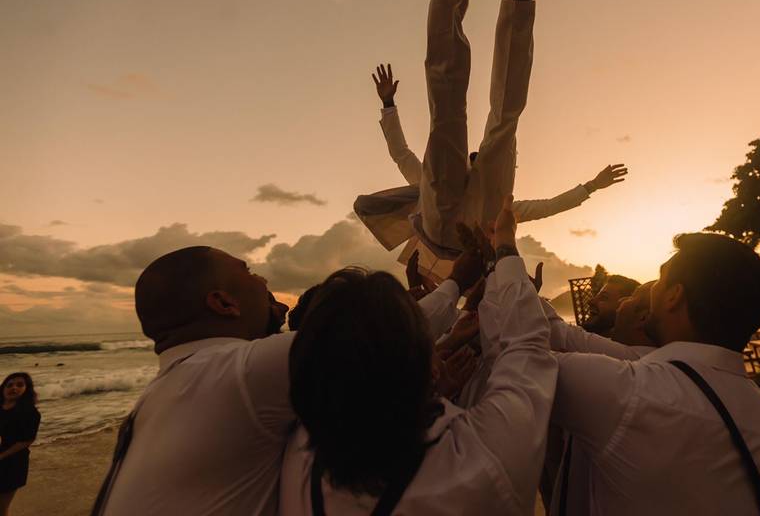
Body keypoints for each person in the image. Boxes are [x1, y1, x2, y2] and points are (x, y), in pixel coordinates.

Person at [354, 0, 628, 266]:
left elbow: (400, 153)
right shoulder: (503, 205)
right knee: (490, 119)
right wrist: (590, 187)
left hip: (442, 228)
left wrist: (388, 105)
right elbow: (549, 206)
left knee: (461, 116)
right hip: (464, 228)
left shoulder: (433, 182)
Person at [279, 196, 558, 515]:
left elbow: (365, 343)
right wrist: (503, 249)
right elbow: (527, 344)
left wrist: (455, 285)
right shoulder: (479, 458)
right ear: (431, 366)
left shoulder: (300, 448)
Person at [550, 233, 760, 515]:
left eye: (661, 279)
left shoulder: (635, 391)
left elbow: (521, 359)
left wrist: (505, 251)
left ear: (674, 295)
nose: (648, 297)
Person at [92, 246, 293, 516]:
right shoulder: (240, 370)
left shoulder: (156, 396)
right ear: (223, 303)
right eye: (248, 271)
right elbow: (359, 328)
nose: (263, 281)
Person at [0, 373, 40, 516]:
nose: (14, 388)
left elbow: (27, 440)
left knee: (1, 506)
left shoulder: (29, 412)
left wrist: (2, 455)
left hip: (13, 462)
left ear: (26, 389)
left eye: (19, 385)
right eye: (9, 385)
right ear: (3, 388)